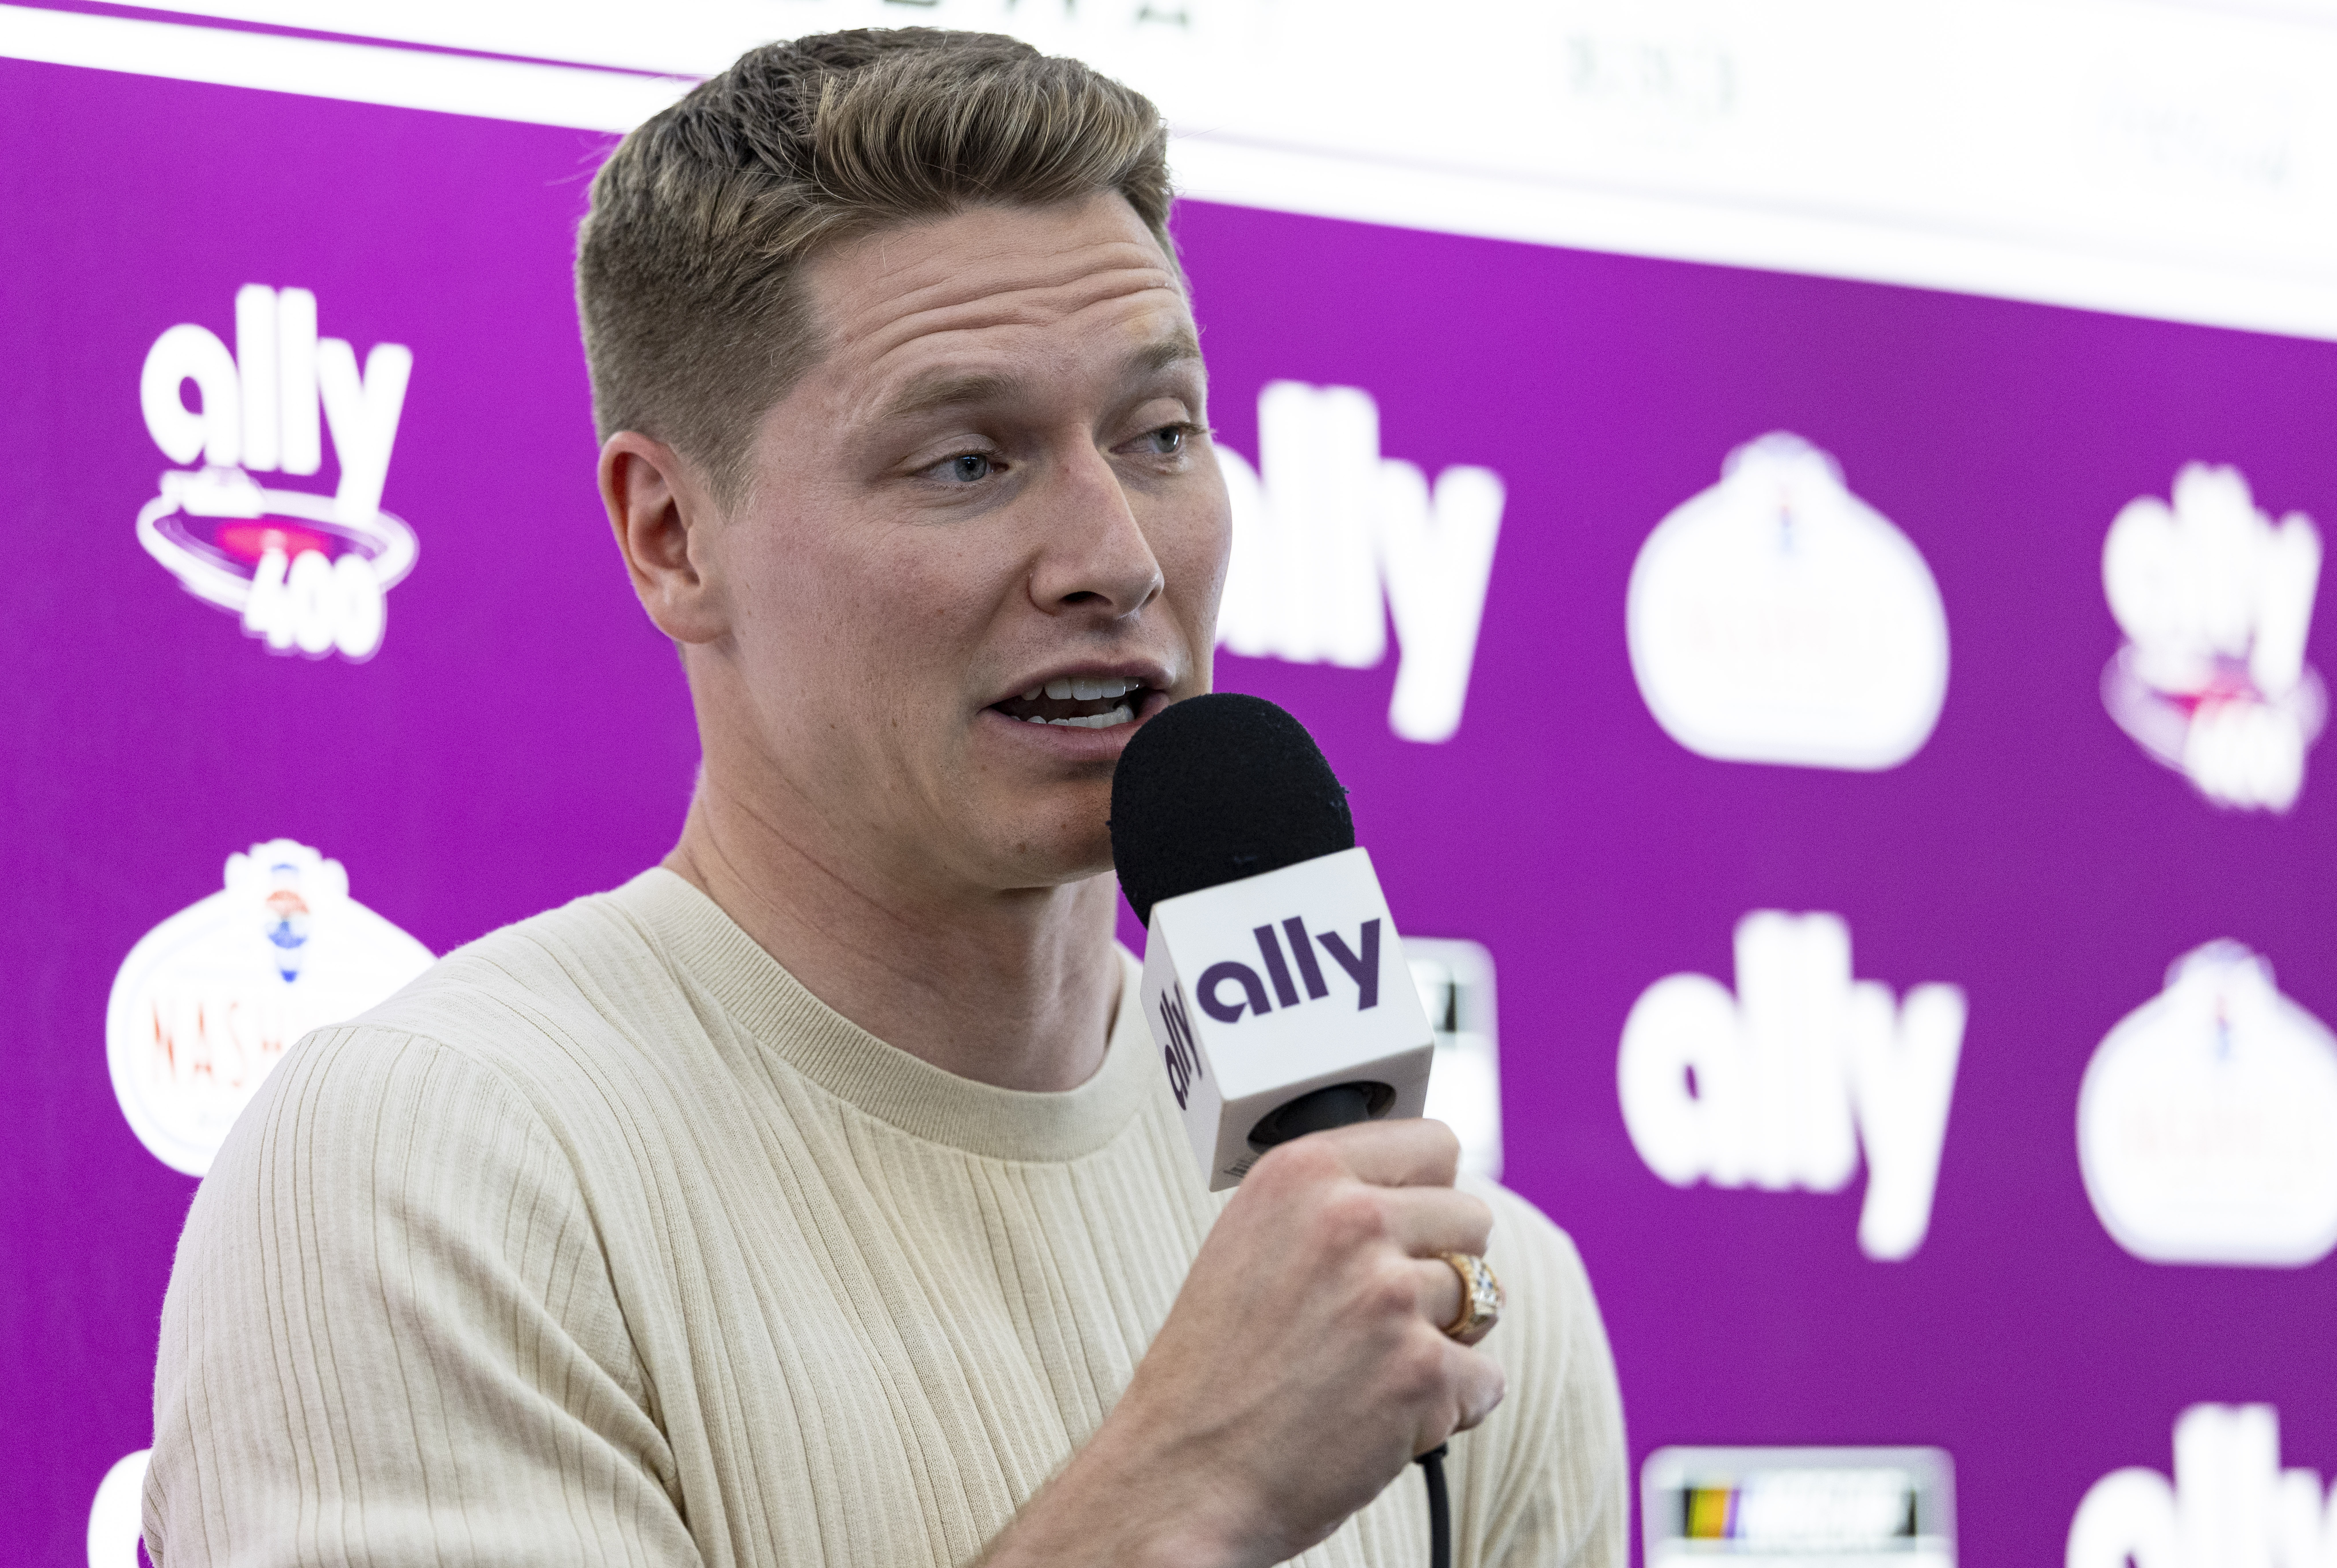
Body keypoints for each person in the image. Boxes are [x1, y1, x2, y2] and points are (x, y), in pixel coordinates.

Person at [144, 29, 1626, 1568]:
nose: (1116, 555)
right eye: (969, 460)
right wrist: (1192, 1484)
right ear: (671, 535)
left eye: (1162, 433)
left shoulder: (1460, 1286)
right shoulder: (437, 1166)